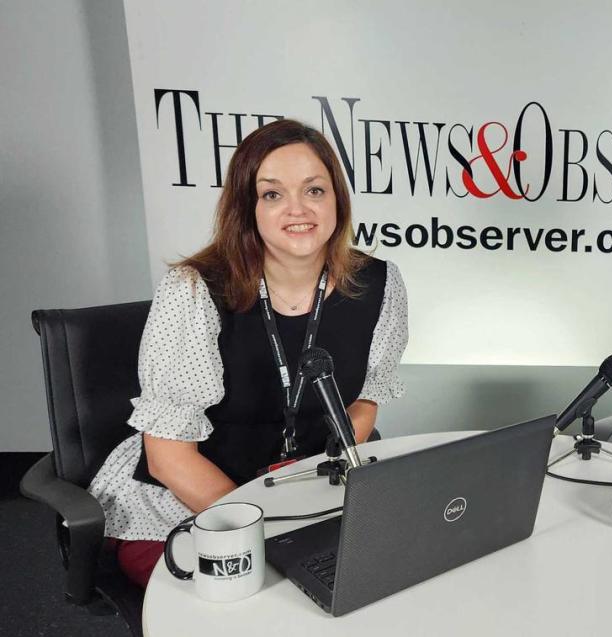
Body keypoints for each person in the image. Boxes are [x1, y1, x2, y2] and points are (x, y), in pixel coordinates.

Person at [88, 119, 409, 587]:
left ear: (337, 199)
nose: (298, 209)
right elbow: (168, 458)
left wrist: (329, 479)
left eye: (315, 190)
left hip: (302, 497)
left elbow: (362, 400)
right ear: (247, 207)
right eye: (273, 194)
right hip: (186, 506)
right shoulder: (194, 291)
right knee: (252, 603)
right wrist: (266, 528)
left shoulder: (379, 284)